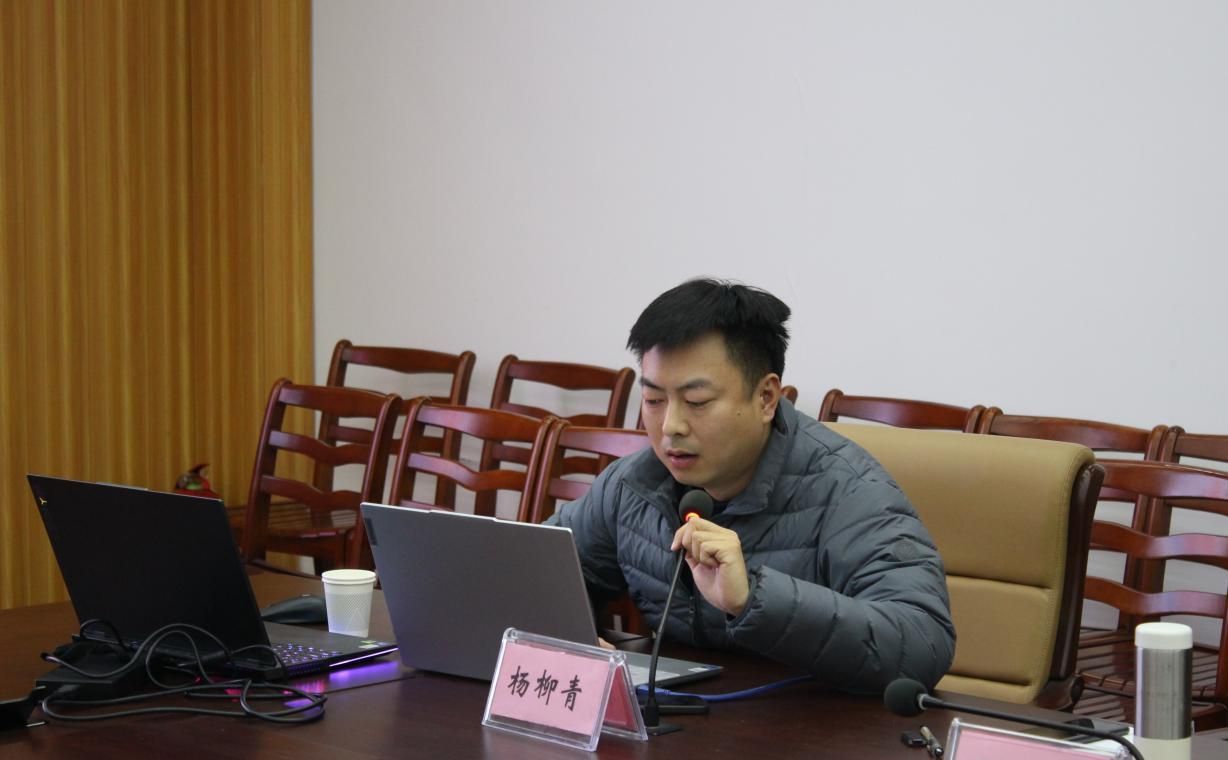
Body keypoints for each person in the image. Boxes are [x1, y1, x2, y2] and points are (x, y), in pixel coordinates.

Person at [548, 278, 955, 694]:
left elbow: (922, 642)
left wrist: (754, 598)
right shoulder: (635, 484)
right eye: (654, 401)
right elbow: (537, 566)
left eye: (697, 402)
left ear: (766, 398)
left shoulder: (848, 490)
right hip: (685, 714)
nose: (670, 426)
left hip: (813, 720)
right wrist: (566, 638)